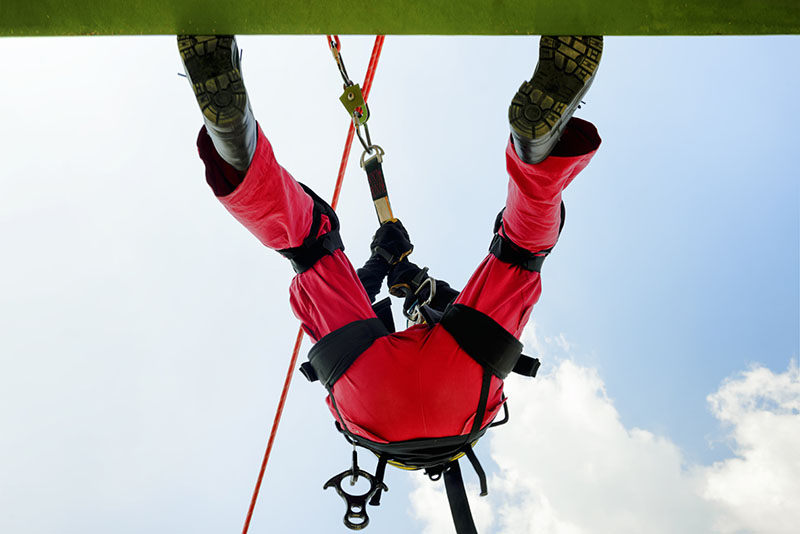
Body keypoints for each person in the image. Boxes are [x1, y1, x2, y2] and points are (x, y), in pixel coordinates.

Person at [179, 34, 603, 533]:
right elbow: (353, 301)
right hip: (372, 404)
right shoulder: (401, 354)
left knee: (519, 255)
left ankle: (538, 153)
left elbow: (442, 313)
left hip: (461, 393)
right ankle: (236, 145)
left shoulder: (448, 371)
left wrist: (389, 264)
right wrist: (394, 272)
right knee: (310, 251)